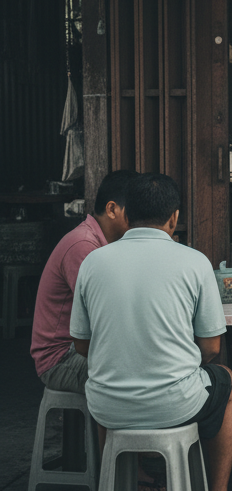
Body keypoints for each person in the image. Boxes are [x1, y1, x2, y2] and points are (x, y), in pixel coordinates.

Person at [69, 173, 232, 491]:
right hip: (175, 405)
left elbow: (81, 345)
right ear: (174, 217)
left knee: (106, 384)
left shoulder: (94, 262)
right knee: (225, 382)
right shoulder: (194, 261)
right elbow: (212, 347)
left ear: (127, 214)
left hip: (107, 407)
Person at [31, 169, 136, 394]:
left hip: (80, 351)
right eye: (135, 212)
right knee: (141, 371)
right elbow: (103, 316)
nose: (140, 221)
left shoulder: (104, 244)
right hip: (61, 359)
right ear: (112, 209)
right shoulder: (84, 246)